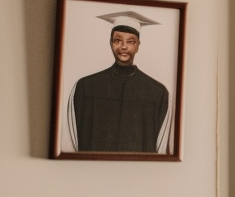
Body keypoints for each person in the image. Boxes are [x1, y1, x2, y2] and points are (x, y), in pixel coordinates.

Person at [67, 10, 172, 153]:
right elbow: (71, 139)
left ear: (138, 45)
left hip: (139, 173)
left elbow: (161, 147)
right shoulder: (86, 87)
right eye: (117, 40)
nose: (123, 46)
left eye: (131, 41)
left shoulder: (158, 93)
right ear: (110, 43)